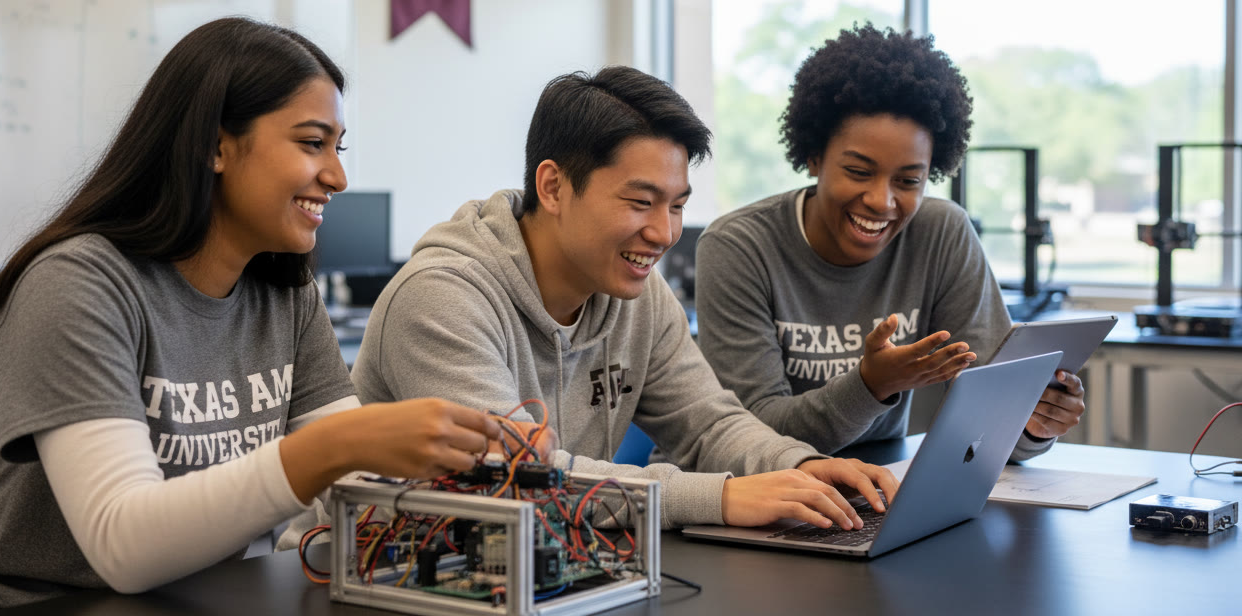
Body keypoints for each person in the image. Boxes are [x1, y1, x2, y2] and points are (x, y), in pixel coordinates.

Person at [0, 17, 501, 612]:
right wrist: (341, 445)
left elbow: (360, 490)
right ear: (215, 146)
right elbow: (124, 546)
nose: (338, 177)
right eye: (311, 142)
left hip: (195, 599)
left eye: (338, 147)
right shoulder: (75, 285)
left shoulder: (284, 292)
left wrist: (483, 464)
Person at [352, 66, 899, 535]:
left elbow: (708, 424)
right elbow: (511, 482)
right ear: (553, 187)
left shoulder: (636, 293)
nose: (664, 233)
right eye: (641, 202)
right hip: (361, 577)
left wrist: (800, 465)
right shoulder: (441, 298)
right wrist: (723, 498)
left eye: (677, 205)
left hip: (537, 566)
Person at [695, 23, 1086, 458]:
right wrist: (871, 385)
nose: (882, 202)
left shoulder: (941, 233)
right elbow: (753, 440)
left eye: (908, 180)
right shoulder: (739, 247)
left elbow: (991, 414)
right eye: (859, 172)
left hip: (873, 488)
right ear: (813, 158)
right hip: (743, 496)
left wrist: (1032, 425)